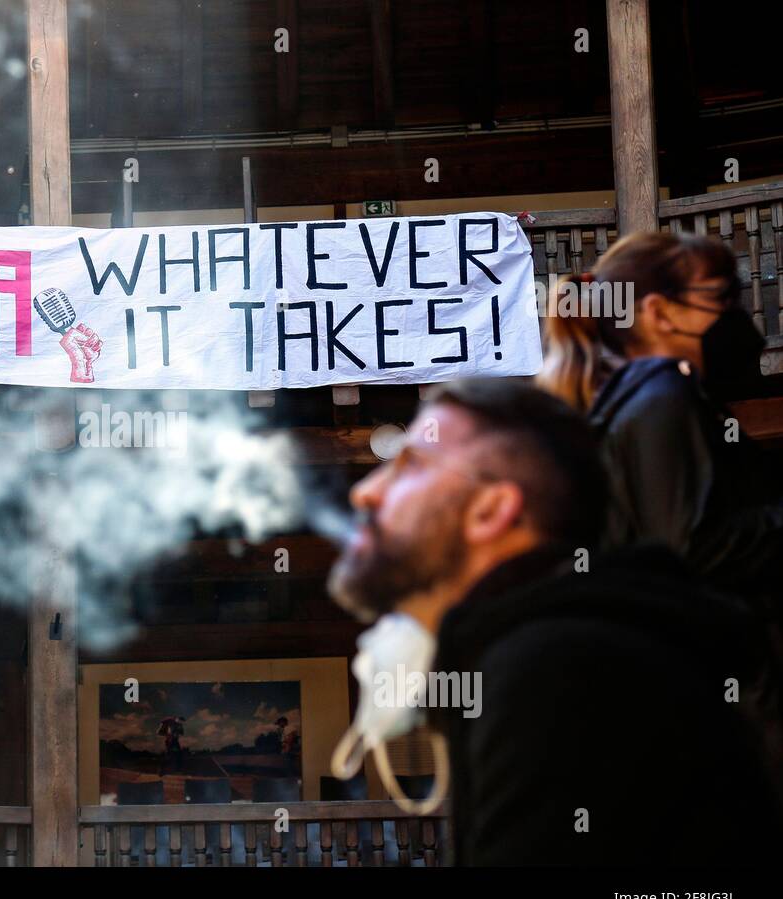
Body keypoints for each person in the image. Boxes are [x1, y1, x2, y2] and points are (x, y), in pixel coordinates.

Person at [327, 377, 782, 865]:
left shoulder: (555, 669)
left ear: (491, 510)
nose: (365, 494)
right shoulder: (564, 649)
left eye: (410, 465)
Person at [538, 231, 783, 791]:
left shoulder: (638, 406)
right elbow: (689, 547)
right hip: (735, 712)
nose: (738, 317)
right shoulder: (660, 400)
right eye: (722, 300)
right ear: (658, 312)